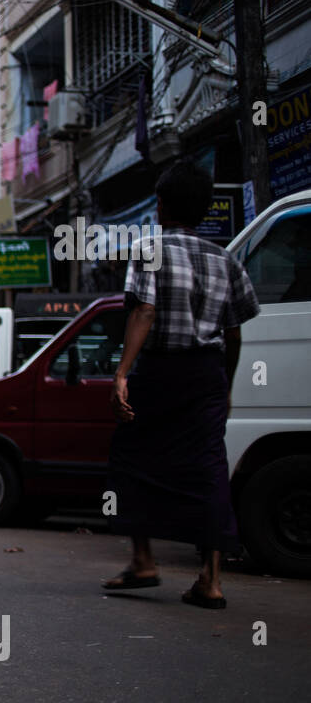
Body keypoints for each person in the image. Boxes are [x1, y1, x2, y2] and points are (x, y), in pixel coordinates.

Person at [102, 159, 260, 609]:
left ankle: (144, 561)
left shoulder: (149, 248)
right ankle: (210, 580)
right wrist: (225, 385)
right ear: (204, 209)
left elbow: (144, 312)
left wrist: (120, 374)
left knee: (131, 458)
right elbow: (233, 333)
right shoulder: (225, 259)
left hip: (160, 370)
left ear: (160, 204)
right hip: (206, 373)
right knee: (209, 468)